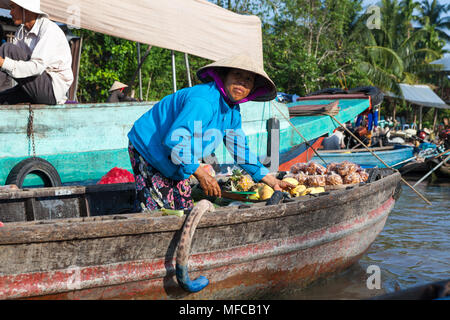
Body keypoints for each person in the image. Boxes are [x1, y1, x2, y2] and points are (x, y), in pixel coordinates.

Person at [127, 54, 293, 211]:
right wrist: (201, 174)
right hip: (150, 147)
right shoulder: (204, 101)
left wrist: (273, 181)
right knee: (159, 210)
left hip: (177, 157)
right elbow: (175, 140)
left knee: (183, 206)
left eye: (248, 80)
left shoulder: (232, 111)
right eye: (237, 75)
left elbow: (241, 151)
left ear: (252, 88)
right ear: (224, 77)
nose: (242, 82)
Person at [0, 0, 73, 105]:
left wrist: (3, 63)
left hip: (50, 90)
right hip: (32, 86)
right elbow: (19, 68)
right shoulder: (21, 31)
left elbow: (37, 67)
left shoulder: (49, 29)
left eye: (13, 8)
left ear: (27, 10)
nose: (10, 13)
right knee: (2, 99)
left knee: (7, 49)